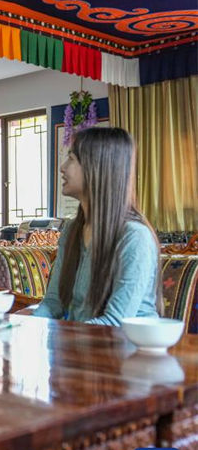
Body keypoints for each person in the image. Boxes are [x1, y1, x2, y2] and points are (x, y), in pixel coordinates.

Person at [33, 127, 160, 326]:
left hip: (125, 349)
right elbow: (53, 303)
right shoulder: (72, 231)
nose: (62, 167)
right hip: (82, 346)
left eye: (72, 159)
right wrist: (23, 327)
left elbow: (114, 322)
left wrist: (64, 339)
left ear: (97, 167)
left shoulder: (135, 237)